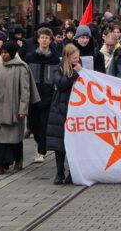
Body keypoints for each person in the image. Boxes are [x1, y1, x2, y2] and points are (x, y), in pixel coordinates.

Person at [0, 41, 37, 174]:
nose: (3, 55)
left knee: (14, 138)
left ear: (12, 53)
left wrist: (23, 109)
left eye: (6, 53)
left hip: (14, 109)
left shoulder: (21, 68)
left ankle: (18, 159)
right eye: (2, 52)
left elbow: (25, 90)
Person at [22, 27, 62, 163]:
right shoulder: (30, 57)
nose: (45, 40)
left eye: (47, 38)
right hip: (32, 96)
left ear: (50, 40)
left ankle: (41, 151)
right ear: (38, 39)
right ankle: (39, 144)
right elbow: (25, 77)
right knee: (33, 125)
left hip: (48, 97)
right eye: (42, 37)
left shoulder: (55, 58)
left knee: (44, 125)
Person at [46, 44, 81, 185]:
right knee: (59, 143)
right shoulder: (58, 68)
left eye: (77, 57)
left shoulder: (80, 67)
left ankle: (72, 173)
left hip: (76, 109)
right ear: (67, 57)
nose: (76, 60)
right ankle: (59, 172)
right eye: (73, 58)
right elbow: (61, 84)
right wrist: (74, 74)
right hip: (60, 109)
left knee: (74, 144)